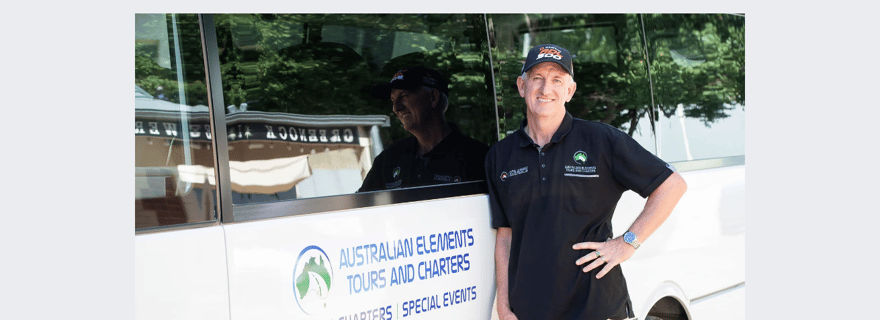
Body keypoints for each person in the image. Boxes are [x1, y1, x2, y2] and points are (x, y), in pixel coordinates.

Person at [485, 44, 688, 320]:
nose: (546, 89)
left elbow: (672, 185)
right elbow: (505, 237)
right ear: (522, 86)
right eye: (537, 79)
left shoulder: (602, 140)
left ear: (570, 91)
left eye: (557, 80)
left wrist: (627, 243)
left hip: (597, 308)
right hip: (529, 312)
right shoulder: (500, 156)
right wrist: (504, 307)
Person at [358, 66, 489, 192]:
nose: (396, 108)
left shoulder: (478, 158)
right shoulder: (388, 159)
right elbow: (361, 208)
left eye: (404, 96)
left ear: (433, 97)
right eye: (393, 100)